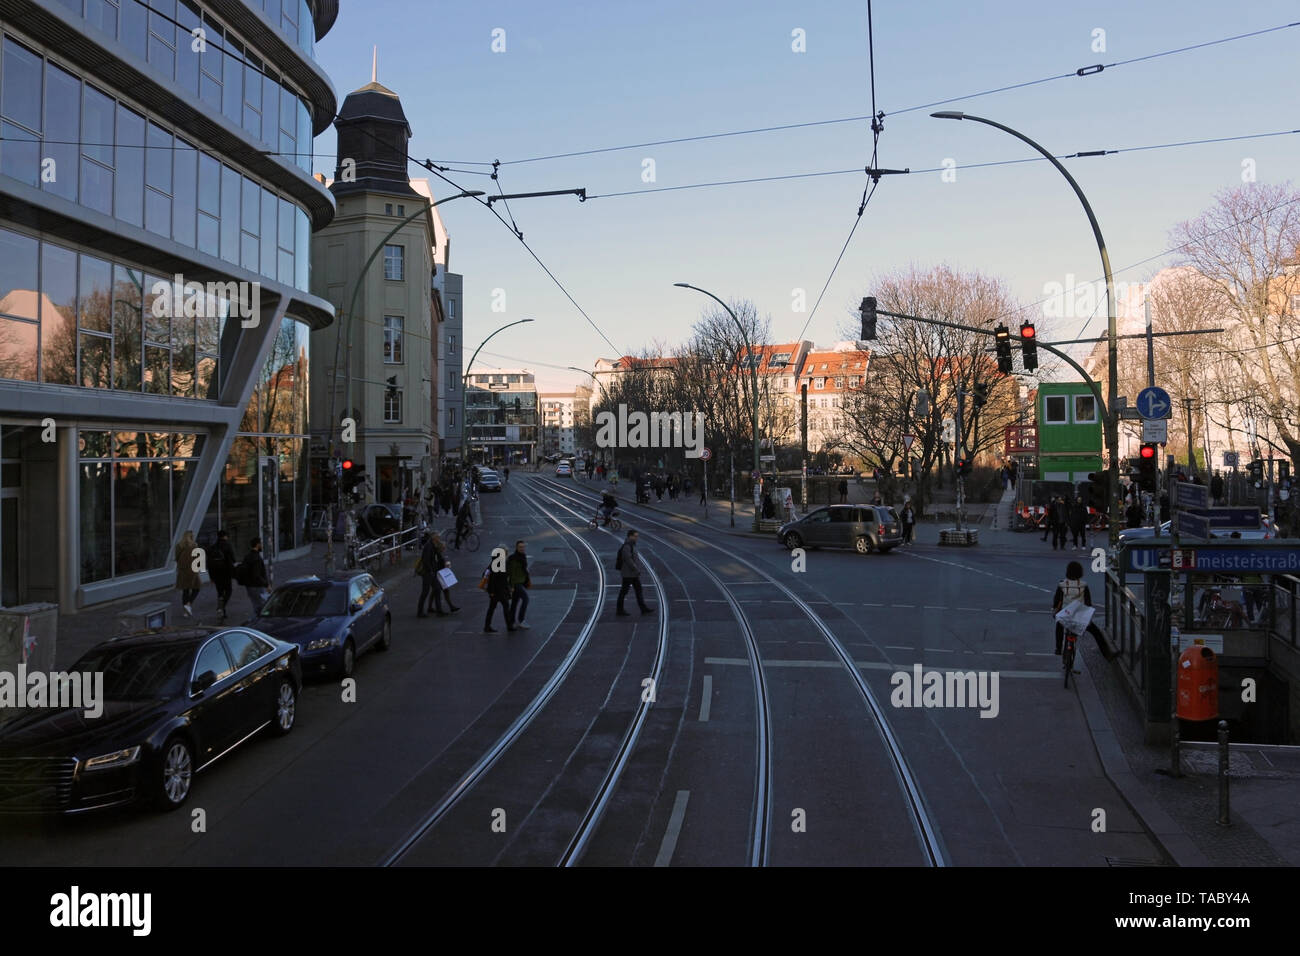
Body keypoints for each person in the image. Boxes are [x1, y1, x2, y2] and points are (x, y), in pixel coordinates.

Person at [1052, 560, 1115, 660]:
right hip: (1079, 617)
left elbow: (1056, 601)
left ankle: (1058, 648)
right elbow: (1088, 603)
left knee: (1059, 625)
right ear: (1080, 573)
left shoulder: (1062, 584)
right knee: (1096, 632)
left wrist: (1055, 610)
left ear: (1067, 572)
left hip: (1065, 615)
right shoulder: (1084, 585)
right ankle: (1107, 654)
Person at [615, 530, 653, 616]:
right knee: (624, 591)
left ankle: (643, 608)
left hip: (633, 574)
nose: (636, 538)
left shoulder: (631, 545)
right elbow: (628, 559)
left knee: (638, 590)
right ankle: (619, 610)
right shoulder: (627, 546)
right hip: (628, 574)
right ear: (630, 536)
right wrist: (636, 569)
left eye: (637, 536)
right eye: (635, 536)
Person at [483, 550, 516, 633]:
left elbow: (485, 573)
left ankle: (487, 626)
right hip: (499, 591)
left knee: (492, 608)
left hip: (496, 591)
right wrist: (492, 591)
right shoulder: (499, 564)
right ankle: (509, 626)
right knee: (505, 606)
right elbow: (496, 579)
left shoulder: (494, 562)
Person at [208, 529, 237, 622]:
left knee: (220, 592)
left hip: (216, 574)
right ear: (225, 536)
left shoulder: (213, 547)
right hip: (226, 572)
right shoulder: (227, 545)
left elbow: (209, 564)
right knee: (228, 590)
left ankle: (223, 612)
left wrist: (211, 577)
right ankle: (221, 607)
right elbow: (233, 559)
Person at [175, 529, 202, 617]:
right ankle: (188, 604)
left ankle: (185, 611)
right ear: (191, 537)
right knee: (196, 588)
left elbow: (177, 558)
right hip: (192, 570)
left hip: (183, 571)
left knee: (185, 590)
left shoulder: (179, 545)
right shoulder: (194, 545)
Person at [506, 540, 532, 630]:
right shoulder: (514, 559)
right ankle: (521, 620)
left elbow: (523, 569)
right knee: (526, 599)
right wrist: (512, 586)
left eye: (523, 547)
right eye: (520, 547)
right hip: (516, 583)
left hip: (521, 582)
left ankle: (511, 621)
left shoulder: (522, 556)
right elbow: (512, 573)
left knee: (514, 603)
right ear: (516, 548)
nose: (522, 548)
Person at [242, 537, 270, 615]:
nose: (262, 546)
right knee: (262, 607)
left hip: (249, 586)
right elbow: (257, 575)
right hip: (257, 586)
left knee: (256, 606)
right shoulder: (256, 558)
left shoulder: (247, 556)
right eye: (261, 544)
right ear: (258, 545)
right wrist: (266, 584)